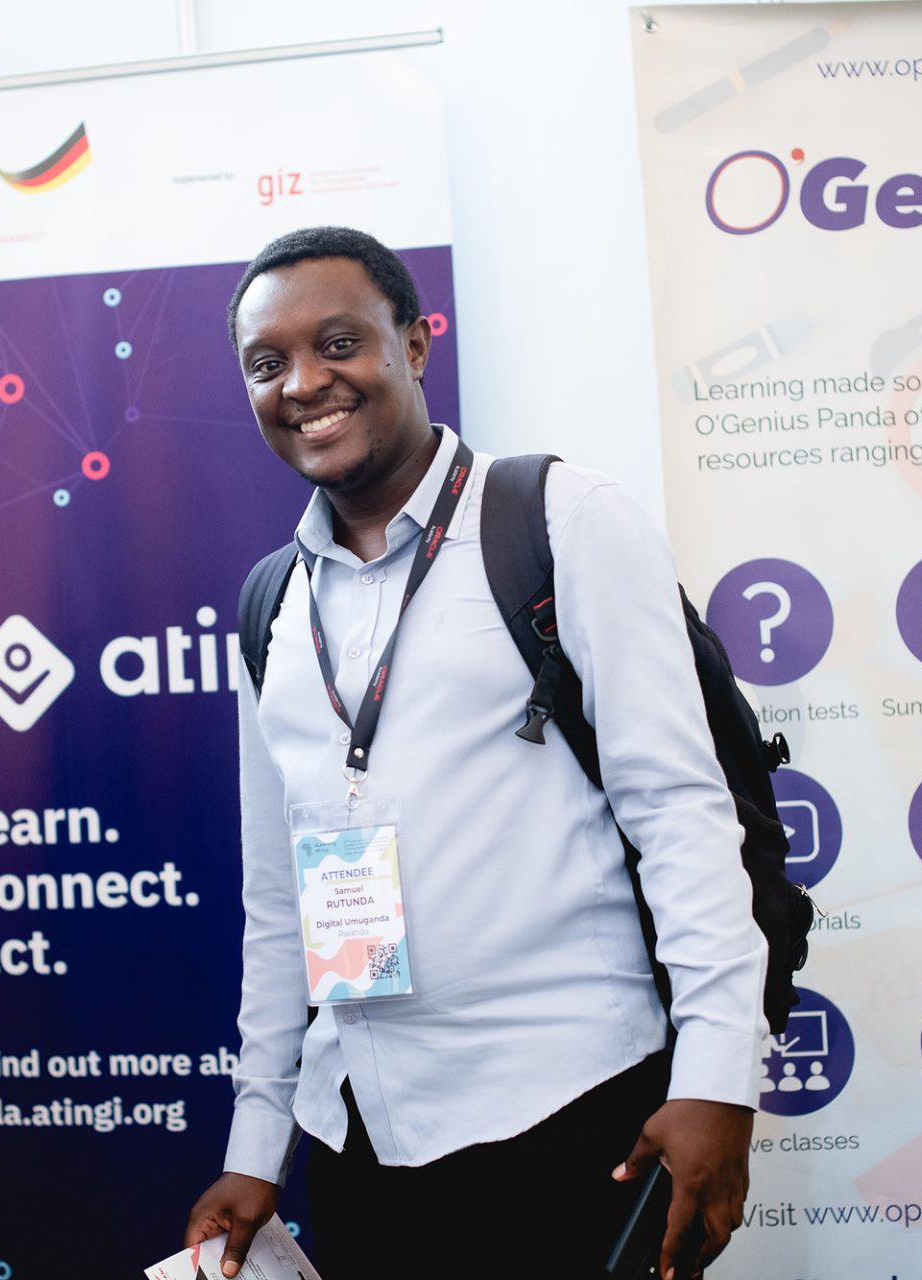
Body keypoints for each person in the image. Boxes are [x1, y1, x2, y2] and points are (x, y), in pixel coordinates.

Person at [183, 227, 767, 1279]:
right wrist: (256, 1142)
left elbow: (680, 807)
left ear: (415, 343)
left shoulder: (559, 519)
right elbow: (279, 900)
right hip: (361, 1132)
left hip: (574, 1111)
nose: (304, 382)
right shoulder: (272, 602)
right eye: (266, 365)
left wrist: (717, 1076)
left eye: (339, 343)